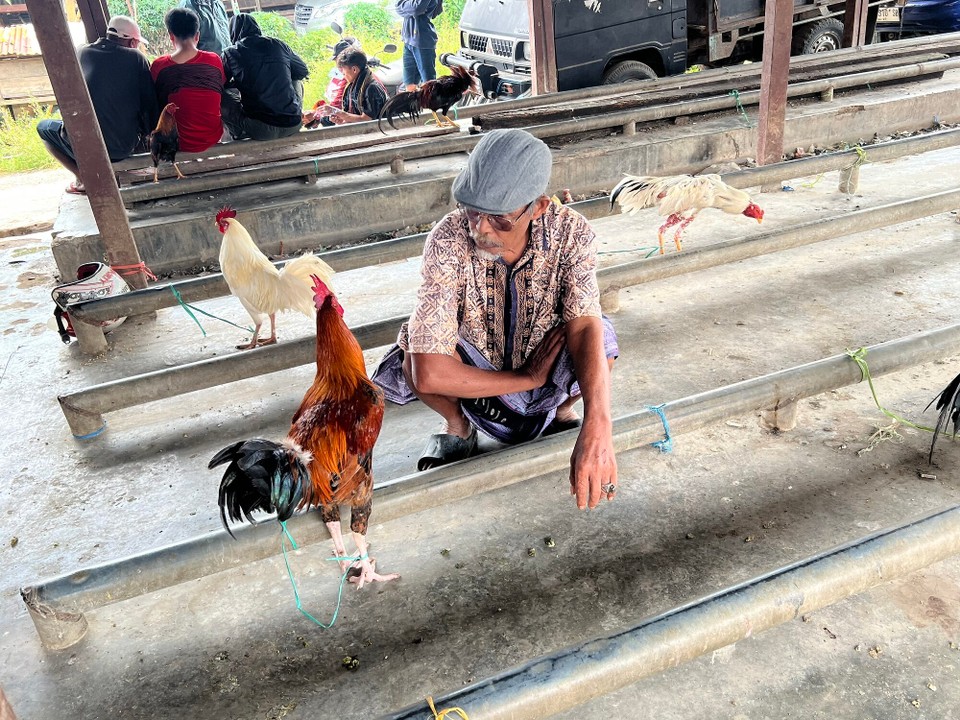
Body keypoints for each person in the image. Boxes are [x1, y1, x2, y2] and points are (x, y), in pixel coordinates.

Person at [371, 129, 619, 510]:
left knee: (599, 337)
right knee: (414, 351)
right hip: (476, 375)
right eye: (472, 210)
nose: (481, 228)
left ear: (537, 207)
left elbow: (584, 323)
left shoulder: (572, 232)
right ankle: (458, 424)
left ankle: (563, 409)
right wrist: (526, 378)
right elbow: (429, 374)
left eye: (500, 218)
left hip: (544, 368)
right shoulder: (447, 239)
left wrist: (599, 424)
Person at [36, 16, 158, 195]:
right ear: (132, 42)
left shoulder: (81, 52)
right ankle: (98, 177)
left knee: (43, 129)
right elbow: (150, 107)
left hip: (85, 146)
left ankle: (84, 179)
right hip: (123, 147)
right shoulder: (136, 59)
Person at [220, 13, 309, 141]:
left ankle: (238, 131)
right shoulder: (278, 44)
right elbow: (302, 71)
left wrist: (241, 81)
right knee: (296, 81)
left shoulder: (231, 52)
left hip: (260, 129)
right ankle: (296, 111)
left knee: (218, 94)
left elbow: (220, 84)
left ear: (233, 33)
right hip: (293, 124)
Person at [150, 7, 225, 153]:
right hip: (212, 138)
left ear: (171, 36)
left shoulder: (159, 66)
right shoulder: (214, 60)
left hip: (177, 143)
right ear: (197, 35)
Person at [322, 47, 388, 126]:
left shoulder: (372, 88)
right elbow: (352, 116)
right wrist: (342, 120)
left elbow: (366, 120)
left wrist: (337, 112)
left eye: (343, 70)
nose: (343, 74)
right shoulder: (350, 87)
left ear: (354, 70)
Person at [396, 0, 441, 92]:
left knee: (428, 84)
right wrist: (411, 9)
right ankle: (412, 105)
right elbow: (397, 7)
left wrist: (406, 8)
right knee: (409, 83)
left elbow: (417, 9)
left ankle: (430, 105)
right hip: (408, 40)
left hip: (422, 40)